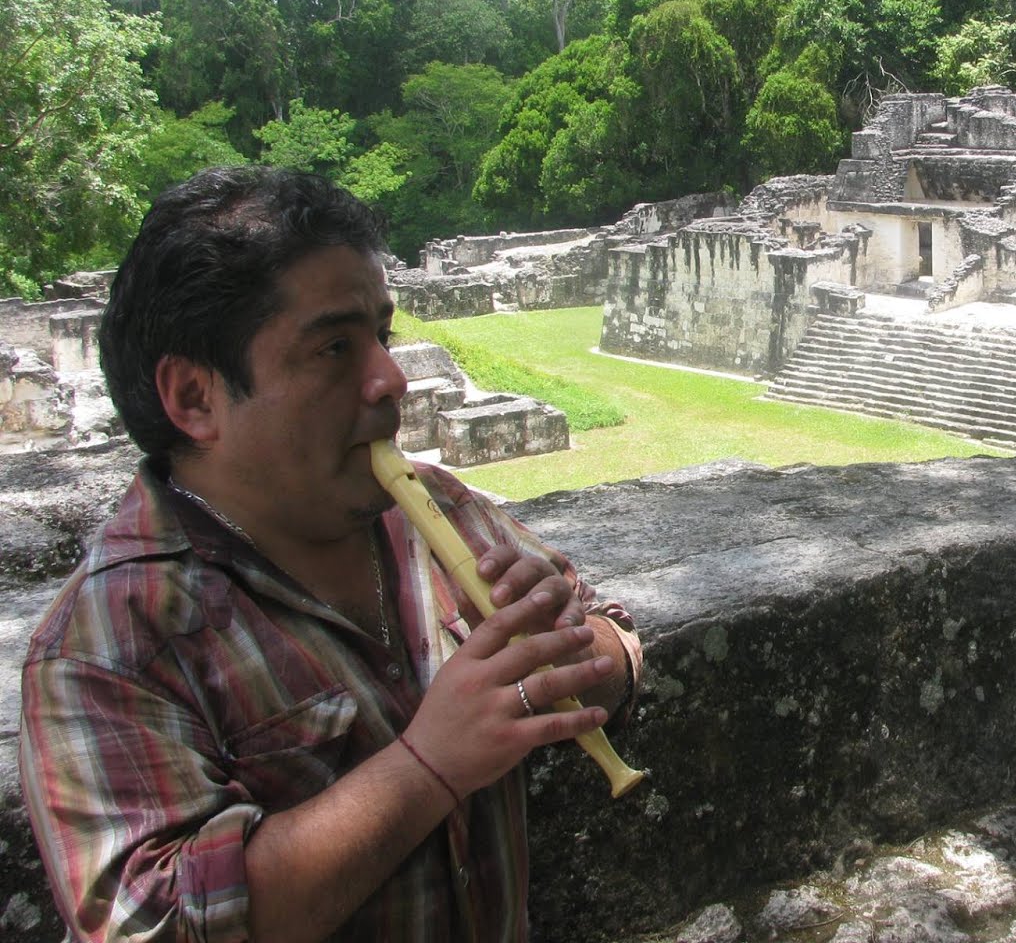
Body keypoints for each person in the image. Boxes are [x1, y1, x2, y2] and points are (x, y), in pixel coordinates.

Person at [19, 167, 643, 943]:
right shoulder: (109, 645)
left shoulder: (435, 509)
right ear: (194, 397)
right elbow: (149, 927)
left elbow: (607, 632)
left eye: (382, 335)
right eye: (335, 348)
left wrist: (583, 653)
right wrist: (429, 766)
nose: (391, 378)